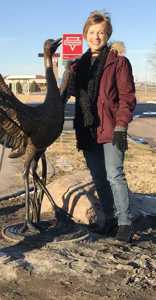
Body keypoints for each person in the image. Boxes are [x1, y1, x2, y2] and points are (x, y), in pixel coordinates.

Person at [66, 11, 136, 242]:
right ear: (86, 34)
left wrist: (121, 127)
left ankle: (125, 223)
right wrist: (64, 69)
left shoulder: (118, 61)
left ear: (108, 35)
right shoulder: (78, 65)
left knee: (115, 174)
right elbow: (68, 93)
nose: (97, 37)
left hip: (111, 127)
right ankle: (108, 220)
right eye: (93, 32)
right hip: (87, 128)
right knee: (98, 177)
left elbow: (127, 97)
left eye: (102, 33)